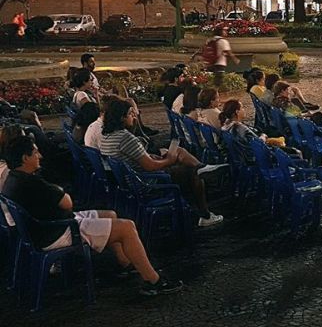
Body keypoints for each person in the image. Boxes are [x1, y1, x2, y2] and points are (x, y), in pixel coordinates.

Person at [2, 135, 183, 296]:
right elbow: (67, 203)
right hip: (58, 231)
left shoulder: (13, 179)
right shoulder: (31, 182)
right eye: (35, 153)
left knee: (110, 214)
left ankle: (126, 264)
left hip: (46, 227)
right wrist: (59, 191)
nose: (39, 156)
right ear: (25, 158)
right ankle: (154, 281)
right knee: (127, 227)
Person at [99, 96, 224, 227]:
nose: (134, 117)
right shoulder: (125, 138)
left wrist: (153, 156)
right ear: (121, 118)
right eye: (130, 114)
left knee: (180, 158)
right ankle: (205, 214)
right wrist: (170, 160)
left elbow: (137, 158)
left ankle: (200, 173)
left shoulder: (107, 136)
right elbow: (151, 167)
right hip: (145, 182)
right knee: (193, 174)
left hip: (130, 179)